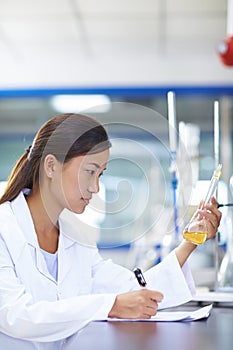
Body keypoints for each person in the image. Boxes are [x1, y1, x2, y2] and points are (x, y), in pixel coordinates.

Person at [0, 113, 221, 343]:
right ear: (51, 166)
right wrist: (111, 305)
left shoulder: (75, 237)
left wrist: (191, 242)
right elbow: (15, 315)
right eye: (89, 171)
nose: (95, 187)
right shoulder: (4, 229)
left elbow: (132, 291)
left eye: (100, 174)